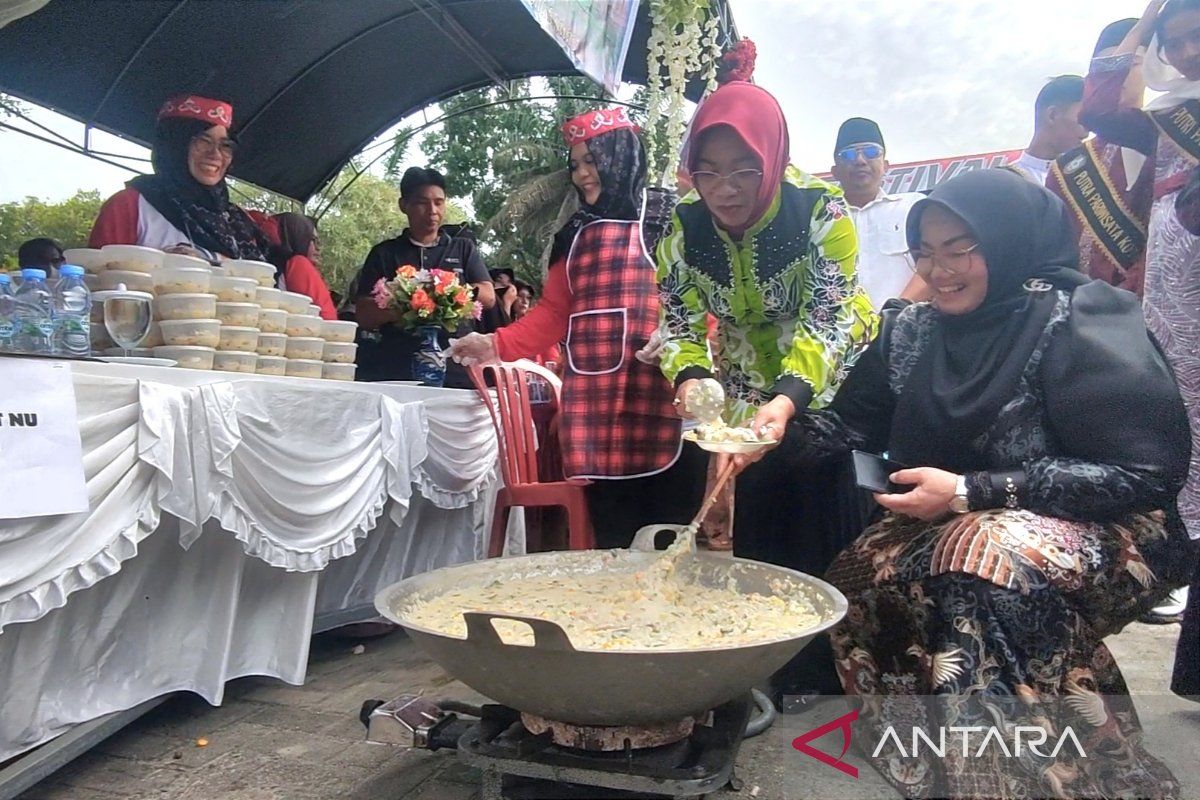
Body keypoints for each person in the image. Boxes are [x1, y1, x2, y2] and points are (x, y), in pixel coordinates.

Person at [790, 168, 1192, 798]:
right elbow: (848, 422)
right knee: (856, 580)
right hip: (957, 513)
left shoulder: (1081, 319)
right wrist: (774, 427)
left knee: (984, 565)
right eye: (926, 252)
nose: (940, 268)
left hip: (1112, 527)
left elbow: (1142, 475)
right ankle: (936, 752)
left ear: (1007, 244)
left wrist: (973, 491)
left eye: (961, 249)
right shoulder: (915, 330)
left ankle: (1029, 779)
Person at [656, 75, 877, 694]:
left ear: (772, 158)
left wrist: (786, 402)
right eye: (708, 171)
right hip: (747, 382)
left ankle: (828, 670)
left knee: (816, 500)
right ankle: (763, 663)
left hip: (829, 376)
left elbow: (829, 319)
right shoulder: (682, 228)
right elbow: (676, 322)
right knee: (751, 511)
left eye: (744, 171)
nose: (724, 190)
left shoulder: (820, 213)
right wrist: (695, 385)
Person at [450, 107, 704, 548]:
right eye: (576, 165)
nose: (582, 174)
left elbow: (705, 292)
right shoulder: (574, 233)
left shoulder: (668, 217)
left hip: (662, 394)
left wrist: (679, 333)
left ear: (620, 158)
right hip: (598, 406)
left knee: (671, 532)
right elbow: (553, 312)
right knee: (611, 533)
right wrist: (494, 343)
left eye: (592, 161)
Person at [1081, 0, 1200, 627]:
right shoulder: (1172, 120)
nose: (1183, 53)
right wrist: (1150, 15)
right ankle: (1181, 561)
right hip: (1170, 313)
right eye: (1172, 42)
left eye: (1194, 37)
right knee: (1179, 438)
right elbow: (1097, 107)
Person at [353, 166, 495, 387]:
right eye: (422, 202)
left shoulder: (462, 248)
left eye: (439, 202)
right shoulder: (385, 253)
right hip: (398, 372)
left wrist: (451, 292)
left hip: (457, 372)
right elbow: (363, 313)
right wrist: (405, 304)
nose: (432, 211)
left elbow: (489, 296)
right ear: (404, 205)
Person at [89, 94, 271, 261]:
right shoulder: (131, 205)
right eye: (203, 141)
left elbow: (260, 282)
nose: (215, 154)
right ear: (176, 145)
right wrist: (160, 265)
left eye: (225, 145)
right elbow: (98, 277)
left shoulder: (237, 221)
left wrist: (209, 260)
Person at [1047, 18, 1151, 296]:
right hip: (1090, 317)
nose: (1119, 76)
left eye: (1132, 64)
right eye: (1109, 66)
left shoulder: (1174, 143)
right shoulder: (1067, 167)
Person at [830, 117, 930, 310]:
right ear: (835, 171)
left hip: (908, 329)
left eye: (870, 152)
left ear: (885, 165)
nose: (860, 161)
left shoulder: (914, 206)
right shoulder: (820, 219)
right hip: (839, 336)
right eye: (849, 155)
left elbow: (936, 262)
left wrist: (895, 312)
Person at [1009, 75, 1088, 185]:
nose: (1089, 129)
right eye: (1083, 117)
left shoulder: (1085, 180)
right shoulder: (1008, 181)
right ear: (1052, 115)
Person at [269, 213, 337, 320]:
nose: (318, 247)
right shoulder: (299, 263)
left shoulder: (275, 266)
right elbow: (326, 317)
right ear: (298, 237)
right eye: (313, 240)